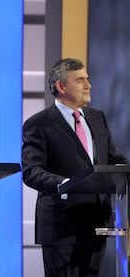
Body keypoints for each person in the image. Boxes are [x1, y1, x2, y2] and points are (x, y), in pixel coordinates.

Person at [22, 57, 129, 276]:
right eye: (80, 80)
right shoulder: (38, 124)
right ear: (61, 86)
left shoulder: (97, 118)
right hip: (61, 226)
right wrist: (65, 184)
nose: (88, 85)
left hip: (95, 221)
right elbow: (32, 171)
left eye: (87, 79)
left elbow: (113, 159)